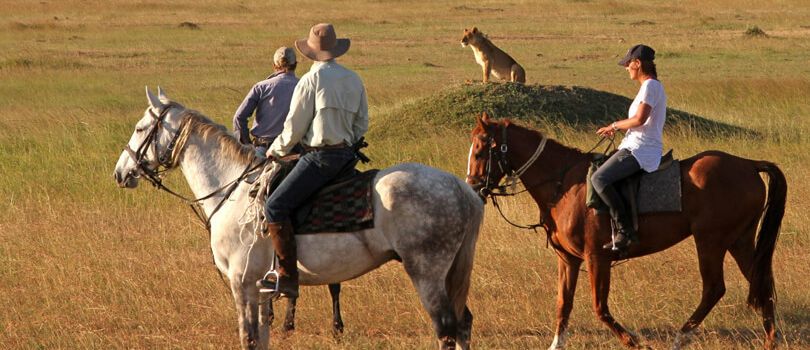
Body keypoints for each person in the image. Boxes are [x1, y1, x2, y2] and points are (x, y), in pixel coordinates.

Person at [258, 23, 369, 297]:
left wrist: (276, 150)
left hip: (319, 158)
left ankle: (286, 277)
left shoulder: (310, 81)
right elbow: (361, 123)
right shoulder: (353, 79)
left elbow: (294, 127)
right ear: (336, 50)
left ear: (310, 52)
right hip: (346, 157)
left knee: (274, 206)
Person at [592, 44, 667, 251]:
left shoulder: (651, 86)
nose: (626, 68)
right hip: (633, 146)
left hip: (642, 150)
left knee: (599, 178)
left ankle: (625, 231)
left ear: (638, 63)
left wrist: (614, 126)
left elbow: (639, 119)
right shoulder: (647, 87)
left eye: (628, 64)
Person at [232, 47, 299, 156]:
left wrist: (246, 144)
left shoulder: (261, 87)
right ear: (295, 64)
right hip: (295, 148)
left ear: (274, 65)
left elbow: (239, 117)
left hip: (264, 148)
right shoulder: (303, 86)